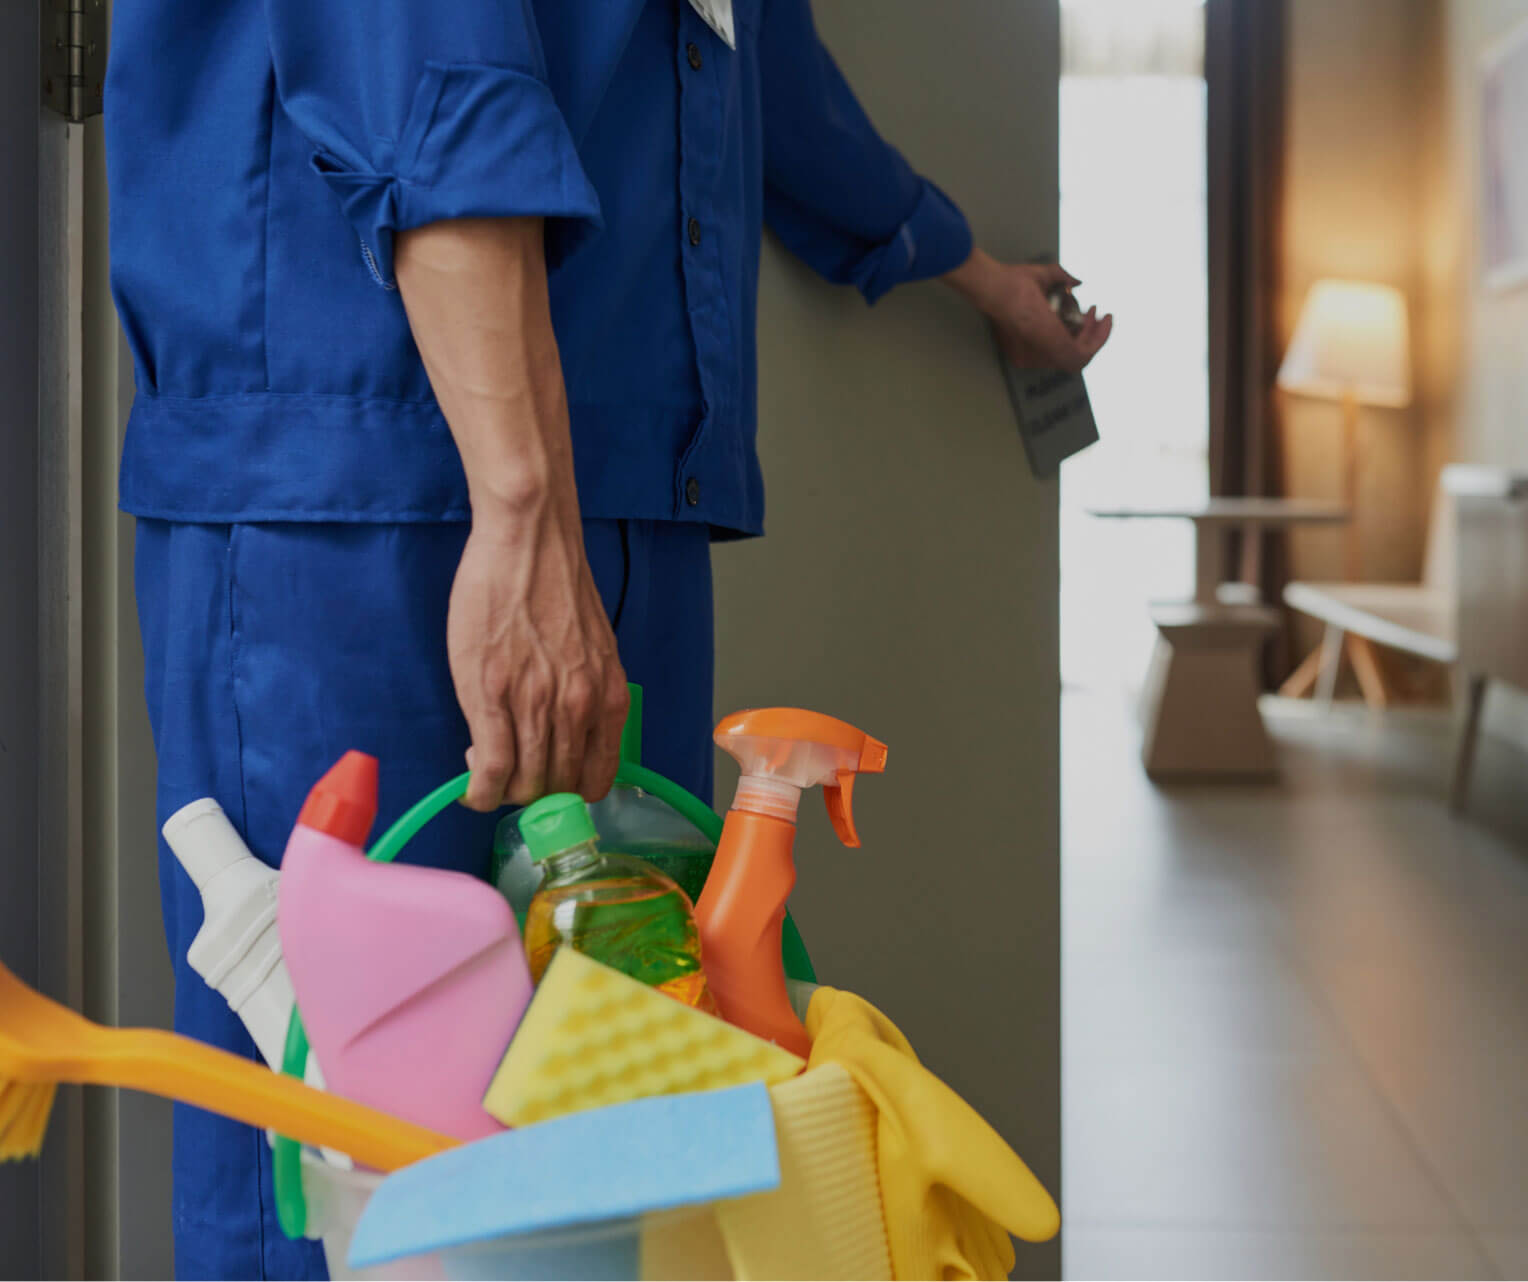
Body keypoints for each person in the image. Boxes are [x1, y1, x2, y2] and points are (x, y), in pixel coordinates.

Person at [106, 0, 1111, 1276]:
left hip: (619, 486)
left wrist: (965, 266)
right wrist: (519, 505)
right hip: (371, 489)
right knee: (342, 1157)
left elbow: (754, 59)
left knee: (610, 1136)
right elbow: (426, 54)